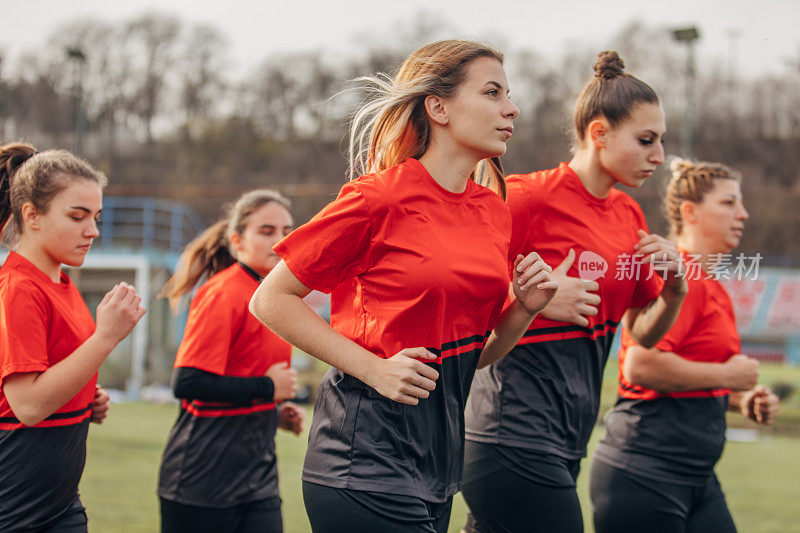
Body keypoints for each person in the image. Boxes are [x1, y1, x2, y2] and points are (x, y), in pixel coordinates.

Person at [249, 39, 558, 533]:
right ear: (437, 107)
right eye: (493, 93)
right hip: (362, 462)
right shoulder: (377, 199)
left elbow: (473, 355)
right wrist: (374, 369)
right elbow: (270, 299)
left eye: (508, 94)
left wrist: (523, 309)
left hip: (437, 469)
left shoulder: (492, 211)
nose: (511, 108)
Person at [461, 51, 688, 533]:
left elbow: (641, 336)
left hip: (569, 438)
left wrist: (675, 291)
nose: (660, 156)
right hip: (507, 433)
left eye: (661, 141)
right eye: (646, 140)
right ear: (599, 133)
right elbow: (457, 288)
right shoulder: (525, 196)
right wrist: (532, 296)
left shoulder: (630, 215)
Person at [589, 158, 780, 533]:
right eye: (729, 203)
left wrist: (743, 398)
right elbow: (640, 367)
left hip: (696, 478)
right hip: (646, 475)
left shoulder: (712, 286)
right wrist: (728, 374)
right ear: (690, 212)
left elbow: (692, 378)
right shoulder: (680, 278)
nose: (743, 214)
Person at [0, 142, 145, 532]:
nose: (93, 230)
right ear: (31, 214)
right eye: (78, 216)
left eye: (96, 217)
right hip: (15, 509)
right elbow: (28, 405)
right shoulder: (18, 288)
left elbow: (49, 380)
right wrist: (106, 338)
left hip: (60, 504)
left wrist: (82, 401)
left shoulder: (61, 283)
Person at [157, 189, 305, 533]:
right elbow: (188, 382)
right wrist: (267, 388)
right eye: (266, 231)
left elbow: (243, 379)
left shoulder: (279, 297)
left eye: (287, 231)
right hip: (201, 482)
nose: (281, 241)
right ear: (237, 241)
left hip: (258, 478)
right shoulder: (222, 292)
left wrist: (275, 411)